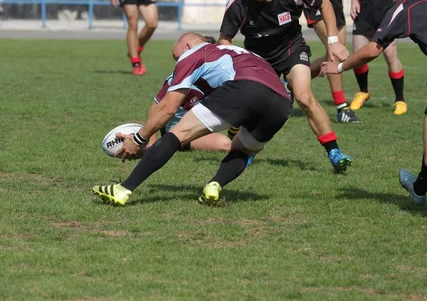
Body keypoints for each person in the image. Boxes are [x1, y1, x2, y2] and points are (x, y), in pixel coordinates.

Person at [93, 33, 291, 207]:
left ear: (186, 47)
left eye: (176, 56)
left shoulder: (194, 54)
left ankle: (123, 189)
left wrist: (137, 140)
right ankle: (214, 186)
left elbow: (167, 108)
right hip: (281, 102)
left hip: (245, 87)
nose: (177, 62)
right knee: (242, 149)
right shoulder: (235, 51)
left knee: (178, 134)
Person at [321, 0, 427, 205]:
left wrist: (339, 67)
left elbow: (371, 50)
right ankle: (419, 190)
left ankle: (419, 189)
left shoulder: (407, 5)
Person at [219, 0, 352, 173]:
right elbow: (224, 40)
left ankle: (334, 152)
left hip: (292, 51)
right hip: (259, 60)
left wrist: (333, 41)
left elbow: (325, 4)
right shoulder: (237, 4)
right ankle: (244, 150)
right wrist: (235, 65)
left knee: (303, 96)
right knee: (255, 108)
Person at [279, 0, 375, 124]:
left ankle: (289, 86)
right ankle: (342, 108)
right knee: (334, 51)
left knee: (335, 54)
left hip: (335, 0)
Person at [348, 0, 417, 115]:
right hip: (364, 9)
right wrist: (353, 0)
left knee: (390, 54)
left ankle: (400, 100)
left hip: (386, 8)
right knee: (358, 55)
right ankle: (363, 92)